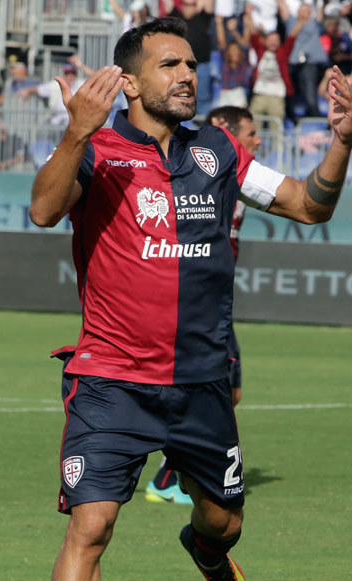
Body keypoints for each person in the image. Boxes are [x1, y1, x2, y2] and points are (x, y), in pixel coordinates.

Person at [28, 17, 352, 581]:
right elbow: (43, 210)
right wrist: (75, 133)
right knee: (92, 525)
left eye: (191, 65)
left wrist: (342, 143)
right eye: (170, 64)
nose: (187, 75)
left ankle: (205, 550)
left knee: (223, 522)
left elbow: (308, 206)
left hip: (203, 383)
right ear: (129, 82)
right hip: (111, 379)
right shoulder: (99, 150)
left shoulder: (220, 151)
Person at [145, 104, 262, 506]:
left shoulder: (236, 173)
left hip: (216, 306)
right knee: (203, 394)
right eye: (250, 132)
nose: (257, 140)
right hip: (195, 307)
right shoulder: (202, 171)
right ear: (223, 128)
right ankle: (168, 476)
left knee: (231, 393)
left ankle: (176, 472)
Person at [162, 0, 217, 116]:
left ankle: (202, 123)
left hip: (202, 65)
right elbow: (167, 3)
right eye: (186, 4)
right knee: (180, 96)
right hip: (179, 66)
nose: (189, 7)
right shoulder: (176, 18)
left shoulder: (203, 17)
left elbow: (208, 3)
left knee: (203, 97)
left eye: (192, 4)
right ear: (181, 5)